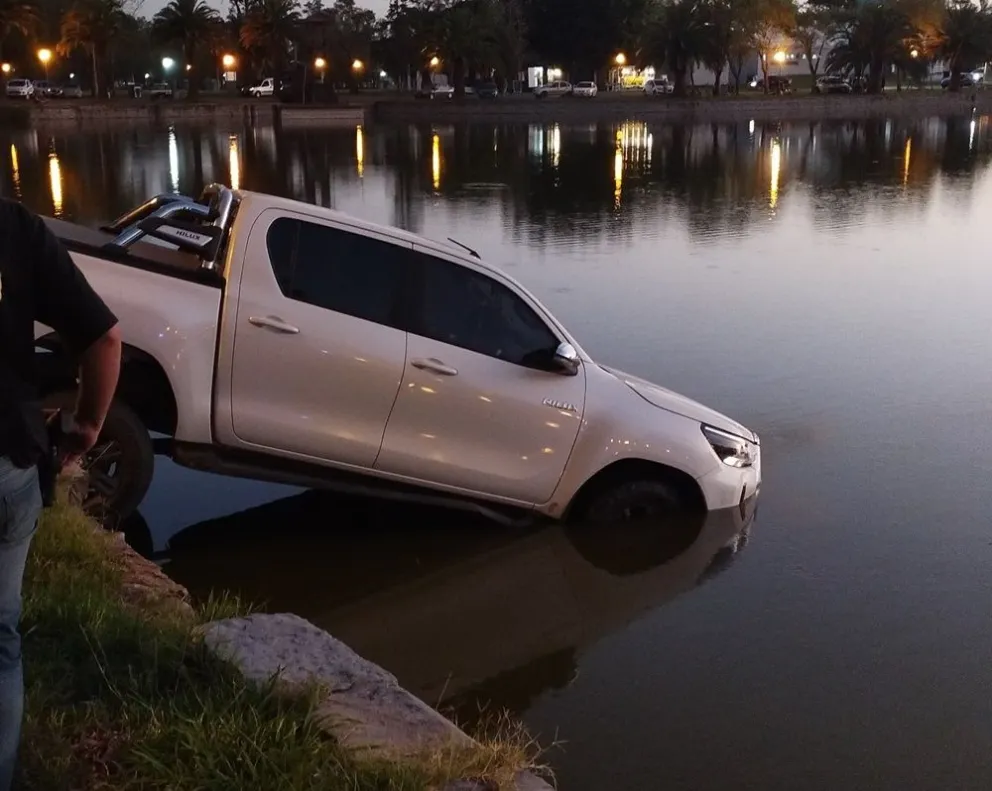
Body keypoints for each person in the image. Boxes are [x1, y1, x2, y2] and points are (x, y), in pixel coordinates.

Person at [0, 198, 121, 790]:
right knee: (1, 640)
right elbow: (103, 339)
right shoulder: (13, 227)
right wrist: (87, 424)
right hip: (5, 463)